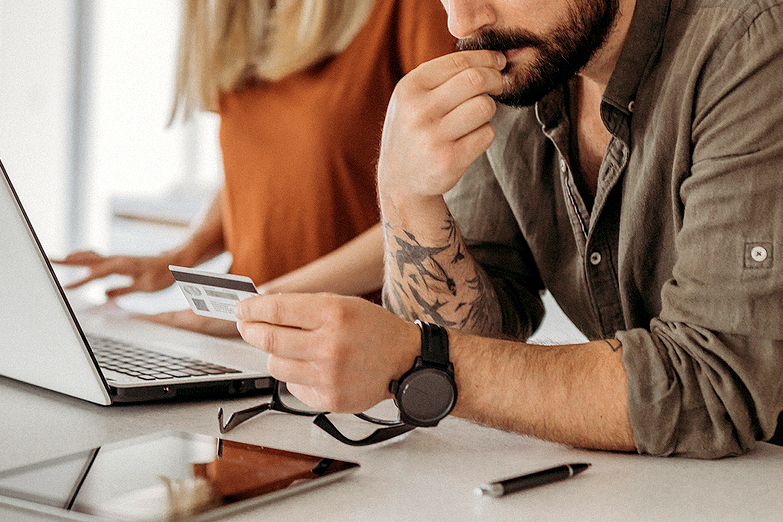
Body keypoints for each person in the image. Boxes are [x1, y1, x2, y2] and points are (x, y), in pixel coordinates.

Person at [232, 0, 783, 459]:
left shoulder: (752, 44)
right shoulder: (526, 64)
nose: (462, 22)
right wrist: (406, 194)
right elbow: (477, 336)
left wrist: (416, 359)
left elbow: (712, 386)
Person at [56, 0, 455, 336]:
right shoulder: (243, 15)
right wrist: (179, 257)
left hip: (350, 346)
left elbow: (449, 207)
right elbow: (262, 171)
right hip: (242, 336)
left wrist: (262, 303)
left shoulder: (406, 8)